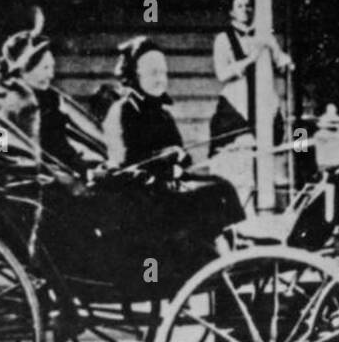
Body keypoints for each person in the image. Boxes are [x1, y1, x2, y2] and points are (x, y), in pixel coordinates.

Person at [104, 36, 244, 277]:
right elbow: (125, 163)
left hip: (167, 189)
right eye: (152, 72)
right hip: (141, 198)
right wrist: (162, 158)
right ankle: (211, 259)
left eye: (164, 72)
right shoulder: (123, 111)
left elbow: (183, 156)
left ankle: (227, 255)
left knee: (222, 187)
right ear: (134, 75)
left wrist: (178, 156)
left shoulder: (161, 112)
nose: (160, 79)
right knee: (212, 194)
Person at [209, 0, 292, 204]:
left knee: (267, 156)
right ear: (230, 11)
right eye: (239, 6)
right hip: (238, 106)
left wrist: (285, 62)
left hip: (264, 103)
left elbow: (279, 56)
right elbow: (222, 73)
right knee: (240, 161)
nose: (245, 10)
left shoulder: (263, 36)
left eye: (248, 5)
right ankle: (243, 209)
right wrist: (250, 60)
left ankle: (266, 203)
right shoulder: (223, 39)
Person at [0, 8, 92, 179]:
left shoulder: (51, 99)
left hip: (56, 178)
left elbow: (60, 144)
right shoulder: (6, 103)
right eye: (45, 68)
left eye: (52, 67)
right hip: (23, 181)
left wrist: (84, 170)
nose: (51, 75)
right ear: (24, 70)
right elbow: (0, 151)